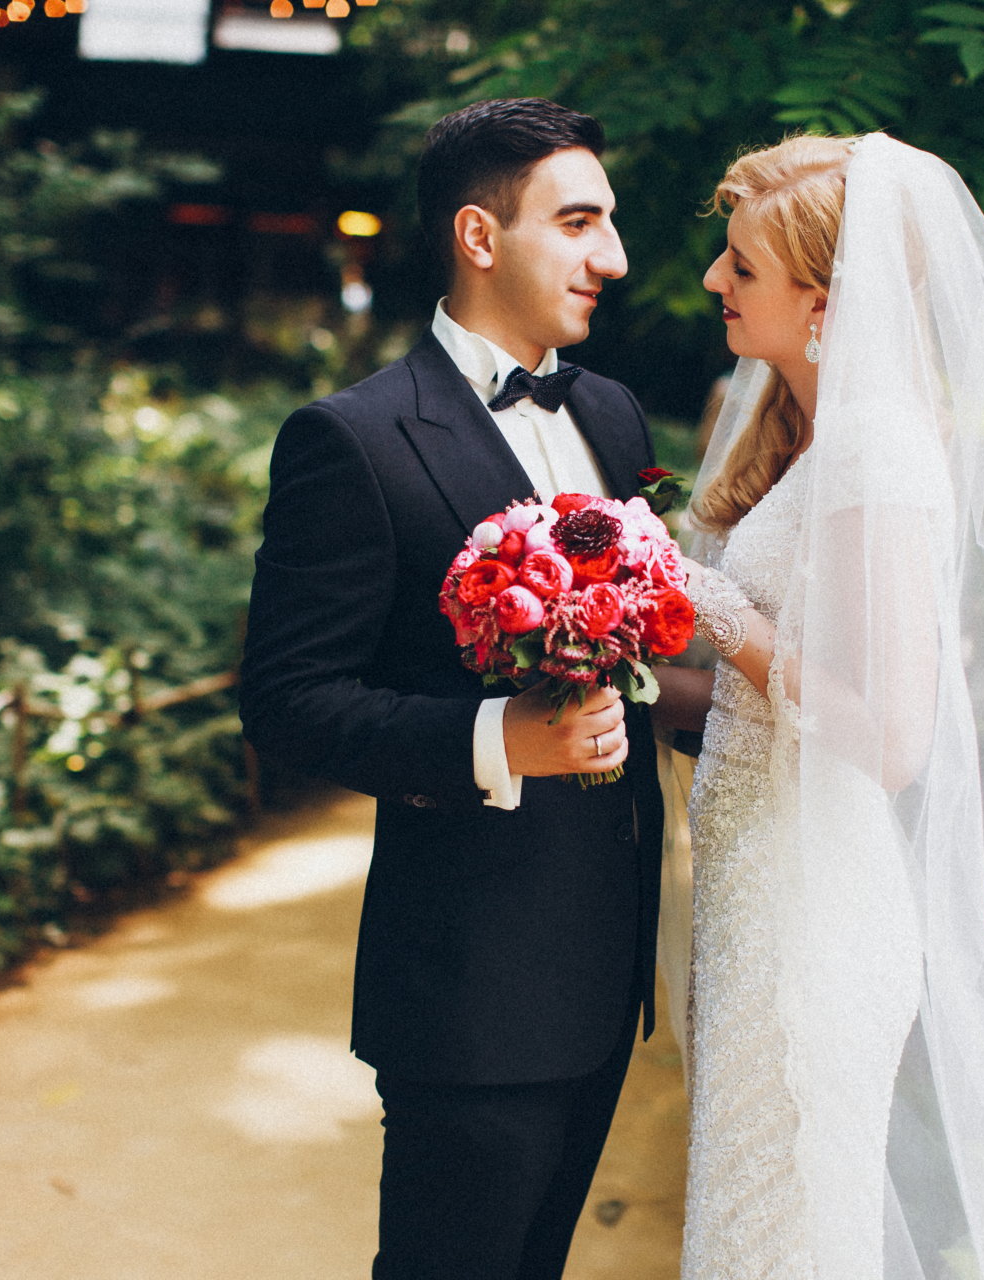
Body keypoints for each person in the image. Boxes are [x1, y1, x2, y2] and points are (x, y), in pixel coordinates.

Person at [655, 133, 984, 1279]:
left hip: (809, 909)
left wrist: (713, 606)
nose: (715, 280)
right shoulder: (816, 438)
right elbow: (762, 695)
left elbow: (890, 733)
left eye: (743, 267)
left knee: (782, 1237)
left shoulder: (875, 452)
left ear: (824, 303)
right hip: (760, 888)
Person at [238, 98, 666, 1280]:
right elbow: (286, 698)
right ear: (479, 236)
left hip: (604, 962)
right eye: (578, 222)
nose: (614, 257)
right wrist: (494, 738)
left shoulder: (612, 412)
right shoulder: (354, 438)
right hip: (469, 985)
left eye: (609, 222)